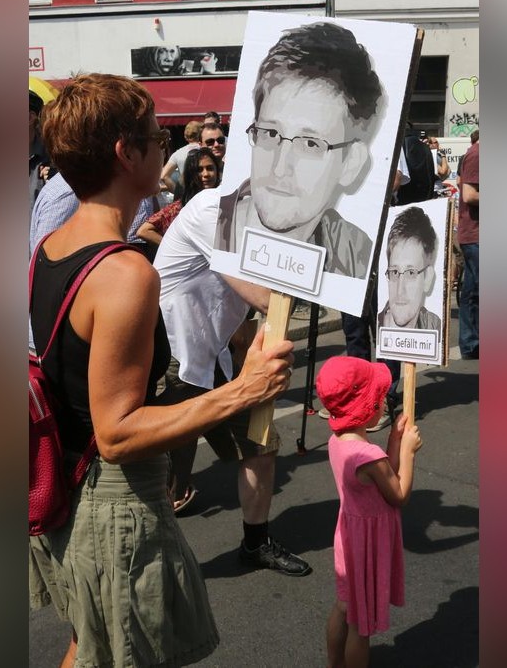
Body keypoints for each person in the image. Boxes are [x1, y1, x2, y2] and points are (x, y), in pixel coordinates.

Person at [28, 73, 294, 668]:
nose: (166, 149)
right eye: (156, 137)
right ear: (127, 153)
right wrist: (244, 391)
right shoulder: (125, 273)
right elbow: (118, 433)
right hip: (113, 507)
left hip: (70, 487)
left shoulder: (51, 248)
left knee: (91, 645)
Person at [153, 185, 313, 577]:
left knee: (259, 444)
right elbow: (265, 296)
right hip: (174, 356)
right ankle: (153, 567)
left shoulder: (264, 225)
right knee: (163, 472)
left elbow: (237, 307)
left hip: (216, 356)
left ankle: (256, 543)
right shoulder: (214, 210)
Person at [213, 22, 386, 277]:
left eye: (310, 144)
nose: (279, 167)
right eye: (271, 133)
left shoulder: (358, 256)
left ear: (351, 164)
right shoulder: (207, 224)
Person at [316, 357, 421, 668]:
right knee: (361, 627)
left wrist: (393, 441)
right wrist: (407, 452)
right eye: (379, 398)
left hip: (348, 538)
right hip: (368, 545)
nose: (383, 403)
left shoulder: (337, 442)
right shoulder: (369, 455)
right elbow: (398, 494)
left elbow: (379, 479)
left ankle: (334, 664)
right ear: (367, 406)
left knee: (344, 607)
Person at [140, 147, 220, 248]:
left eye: (210, 168)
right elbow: (144, 231)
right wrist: (176, 246)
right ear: (191, 175)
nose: (206, 174)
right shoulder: (181, 207)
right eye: (199, 170)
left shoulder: (225, 200)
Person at [377, 206, 442, 330]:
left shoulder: (435, 326)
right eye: (394, 272)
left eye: (411, 273)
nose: (400, 291)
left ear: (427, 278)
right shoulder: (378, 327)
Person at [457, 130, 479, 359]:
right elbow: (469, 195)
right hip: (475, 234)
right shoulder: (477, 154)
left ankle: (471, 343)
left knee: (473, 291)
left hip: (475, 234)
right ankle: (471, 342)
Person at [160, 120, 203, 194]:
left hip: (187, 194)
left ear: (185, 136)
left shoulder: (178, 153)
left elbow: (164, 176)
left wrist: (178, 193)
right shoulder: (206, 150)